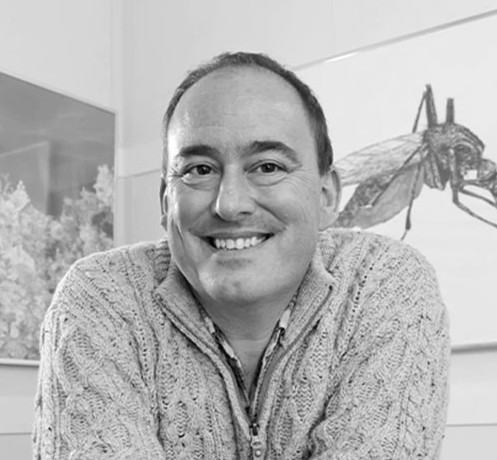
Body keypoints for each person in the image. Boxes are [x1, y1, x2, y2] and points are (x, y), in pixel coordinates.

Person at [32, 52, 450, 459]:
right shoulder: (101, 296)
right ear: (165, 201)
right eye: (199, 169)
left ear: (326, 196)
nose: (229, 205)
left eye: (267, 167)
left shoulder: (385, 283)